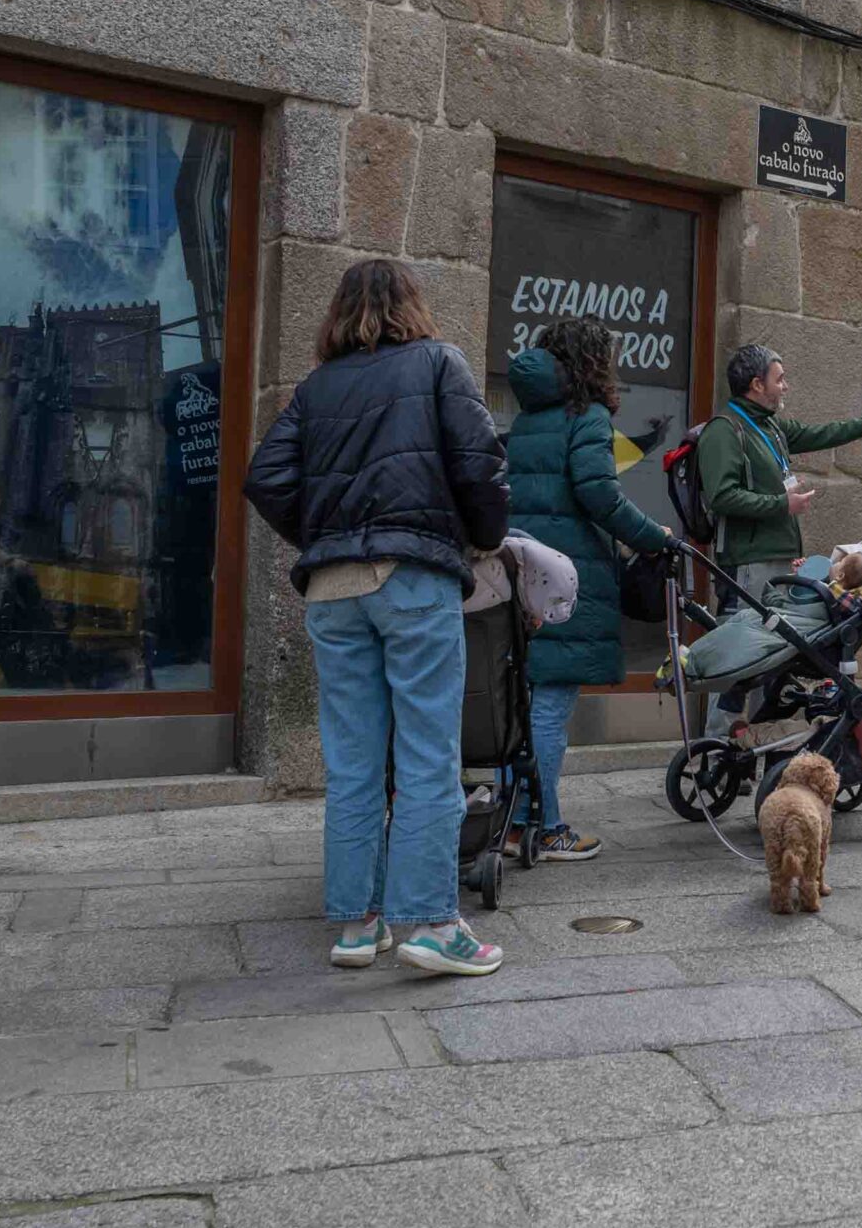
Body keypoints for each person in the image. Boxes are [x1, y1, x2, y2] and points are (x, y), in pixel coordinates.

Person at [245, 258, 511, 977]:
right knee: (428, 753)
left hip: (333, 586)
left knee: (354, 762)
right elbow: (481, 460)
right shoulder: (437, 362)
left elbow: (263, 476)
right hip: (413, 576)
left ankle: (357, 925)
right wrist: (484, 535)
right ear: (411, 305)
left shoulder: (316, 387)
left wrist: (324, 536)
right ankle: (428, 921)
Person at [504, 319, 680, 860]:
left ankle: (512, 821)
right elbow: (599, 494)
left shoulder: (528, 418)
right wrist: (656, 537)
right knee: (550, 707)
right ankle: (543, 825)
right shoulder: (589, 416)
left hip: (523, 572)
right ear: (592, 363)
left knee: (524, 702)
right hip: (565, 579)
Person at [695, 343, 862, 737]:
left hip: (777, 560)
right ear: (756, 384)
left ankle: (736, 751)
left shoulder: (769, 426)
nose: (785, 386)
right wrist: (780, 504)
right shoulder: (725, 430)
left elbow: (819, 434)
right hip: (748, 561)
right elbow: (721, 495)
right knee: (739, 660)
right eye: (779, 378)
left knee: (764, 659)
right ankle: (713, 751)